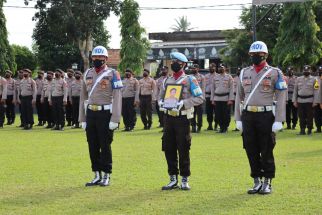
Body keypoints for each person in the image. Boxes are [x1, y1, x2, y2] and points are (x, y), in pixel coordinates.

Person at [235, 41, 287, 195]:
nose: (255, 57)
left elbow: (282, 96)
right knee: (250, 148)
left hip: (266, 116)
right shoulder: (244, 72)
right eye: (253, 54)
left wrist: (279, 119)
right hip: (248, 115)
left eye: (259, 54)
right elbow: (239, 96)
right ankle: (256, 180)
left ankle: (268, 181)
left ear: (266, 55)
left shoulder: (275, 72)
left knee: (266, 149)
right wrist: (238, 118)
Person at [158, 52, 204, 191]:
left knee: (183, 148)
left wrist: (184, 103)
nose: (173, 64)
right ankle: (172, 178)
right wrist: (160, 103)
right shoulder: (167, 80)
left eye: (176, 62)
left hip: (182, 118)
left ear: (183, 64)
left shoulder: (190, 80)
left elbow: (200, 98)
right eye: (172, 61)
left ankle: (184, 178)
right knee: (168, 148)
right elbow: (160, 97)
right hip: (168, 118)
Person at [79, 45, 122, 187]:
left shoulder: (113, 74)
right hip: (91, 112)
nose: (97, 59)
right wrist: (82, 118)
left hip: (105, 113)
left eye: (100, 57)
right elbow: (83, 97)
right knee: (92, 144)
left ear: (106, 59)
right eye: (95, 57)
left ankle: (106, 175)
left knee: (105, 145)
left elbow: (117, 96)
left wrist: (115, 118)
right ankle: (96, 174)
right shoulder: (87, 73)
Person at [292, 65, 320, 135]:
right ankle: (302, 130)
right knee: (301, 116)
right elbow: (295, 90)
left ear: (310, 71)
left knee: (310, 116)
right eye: (305, 71)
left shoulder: (314, 79)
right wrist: (294, 101)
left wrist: (315, 101)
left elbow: (316, 91)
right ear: (303, 71)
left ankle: (309, 130)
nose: (306, 72)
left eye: (307, 71)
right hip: (300, 100)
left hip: (310, 101)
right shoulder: (298, 79)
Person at [211, 64, 234, 133]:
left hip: (226, 98)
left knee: (226, 114)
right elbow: (213, 89)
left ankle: (225, 128)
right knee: (218, 114)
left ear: (225, 69)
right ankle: (221, 128)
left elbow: (231, 89)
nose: (221, 69)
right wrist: (212, 99)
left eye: (222, 67)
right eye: (219, 68)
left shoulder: (229, 77)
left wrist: (230, 99)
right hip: (217, 98)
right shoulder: (215, 77)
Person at [189, 64, 205, 133]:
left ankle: (199, 126)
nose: (193, 69)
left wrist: (203, 97)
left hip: (199, 97)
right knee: (192, 113)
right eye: (192, 68)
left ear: (198, 69)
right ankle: (193, 126)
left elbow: (203, 88)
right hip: (192, 97)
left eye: (195, 68)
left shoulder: (201, 77)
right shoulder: (189, 77)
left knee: (199, 114)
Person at [204, 63, 217, 130]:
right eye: (210, 67)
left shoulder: (217, 76)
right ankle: (210, 125)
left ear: (215, 68)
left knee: (216, 111)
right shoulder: (206, 76)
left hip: (216, 96)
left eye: (212, 67)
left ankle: (216, 125)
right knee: (209, 112)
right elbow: (204, 86)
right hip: (208, 95)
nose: (211, 68)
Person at [313, 66, 322, 133]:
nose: (320, 72)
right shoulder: (315, 79)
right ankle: (318, 128)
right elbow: (313, 90)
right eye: (319, 70)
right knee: (316, 116)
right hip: (316, 101)